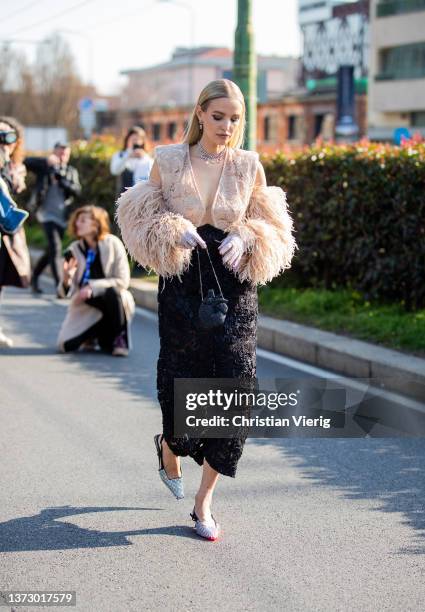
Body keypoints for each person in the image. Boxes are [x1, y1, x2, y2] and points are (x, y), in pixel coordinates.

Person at [116, 79, 297, 541]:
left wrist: (248, 236)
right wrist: (172, 228)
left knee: (236, 387)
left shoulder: (248, 164)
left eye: (235, 119)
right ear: (200, 114)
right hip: (183, 285)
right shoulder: (168, 160)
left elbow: (273, 225)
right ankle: (169, 445)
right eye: (218, 117)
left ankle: (204, 503)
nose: (227, 127)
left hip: (234, 287)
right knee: (180, 390)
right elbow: (140, 218)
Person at [57, 205, 135, 357]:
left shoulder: (113, 243)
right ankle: (92, 336)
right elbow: (63, 294)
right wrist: (67, 277)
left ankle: (120, 338)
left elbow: (123, 281)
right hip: (87, 305)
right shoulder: (73, 249)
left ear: (96, 224)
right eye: (76, 221)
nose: (77, 224)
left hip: (113, 304)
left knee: (113, 292)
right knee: (65, 345)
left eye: (83, 221)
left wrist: (92, 286)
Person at [25, 142, 81, 295]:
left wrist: (63, 181)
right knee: (56, 248)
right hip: (45, 214)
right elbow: (26, 162)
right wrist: (46, 161)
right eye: (60, 153)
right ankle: (60, 287)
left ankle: (35, 276)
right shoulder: (45, 168)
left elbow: (77, 191)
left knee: (51, 250)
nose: (63, 157)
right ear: (54, 153)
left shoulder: (70, 171)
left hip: (62, 216)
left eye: (65, 154)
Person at [0, 116, 31, 349]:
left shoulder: (13, 165)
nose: (4, 141)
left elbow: (16, 192)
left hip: (5, 232)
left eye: (9, 137)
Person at [110, 126, 153, 197]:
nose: (135, 142)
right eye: (133, 139)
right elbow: (114, 171)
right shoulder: (120, 155)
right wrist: (128, 156)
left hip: (142, 198)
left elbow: (152, 175)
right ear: (127, 140)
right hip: (124, 198)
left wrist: (144, 157)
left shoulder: (147, 158)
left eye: (138, 140)